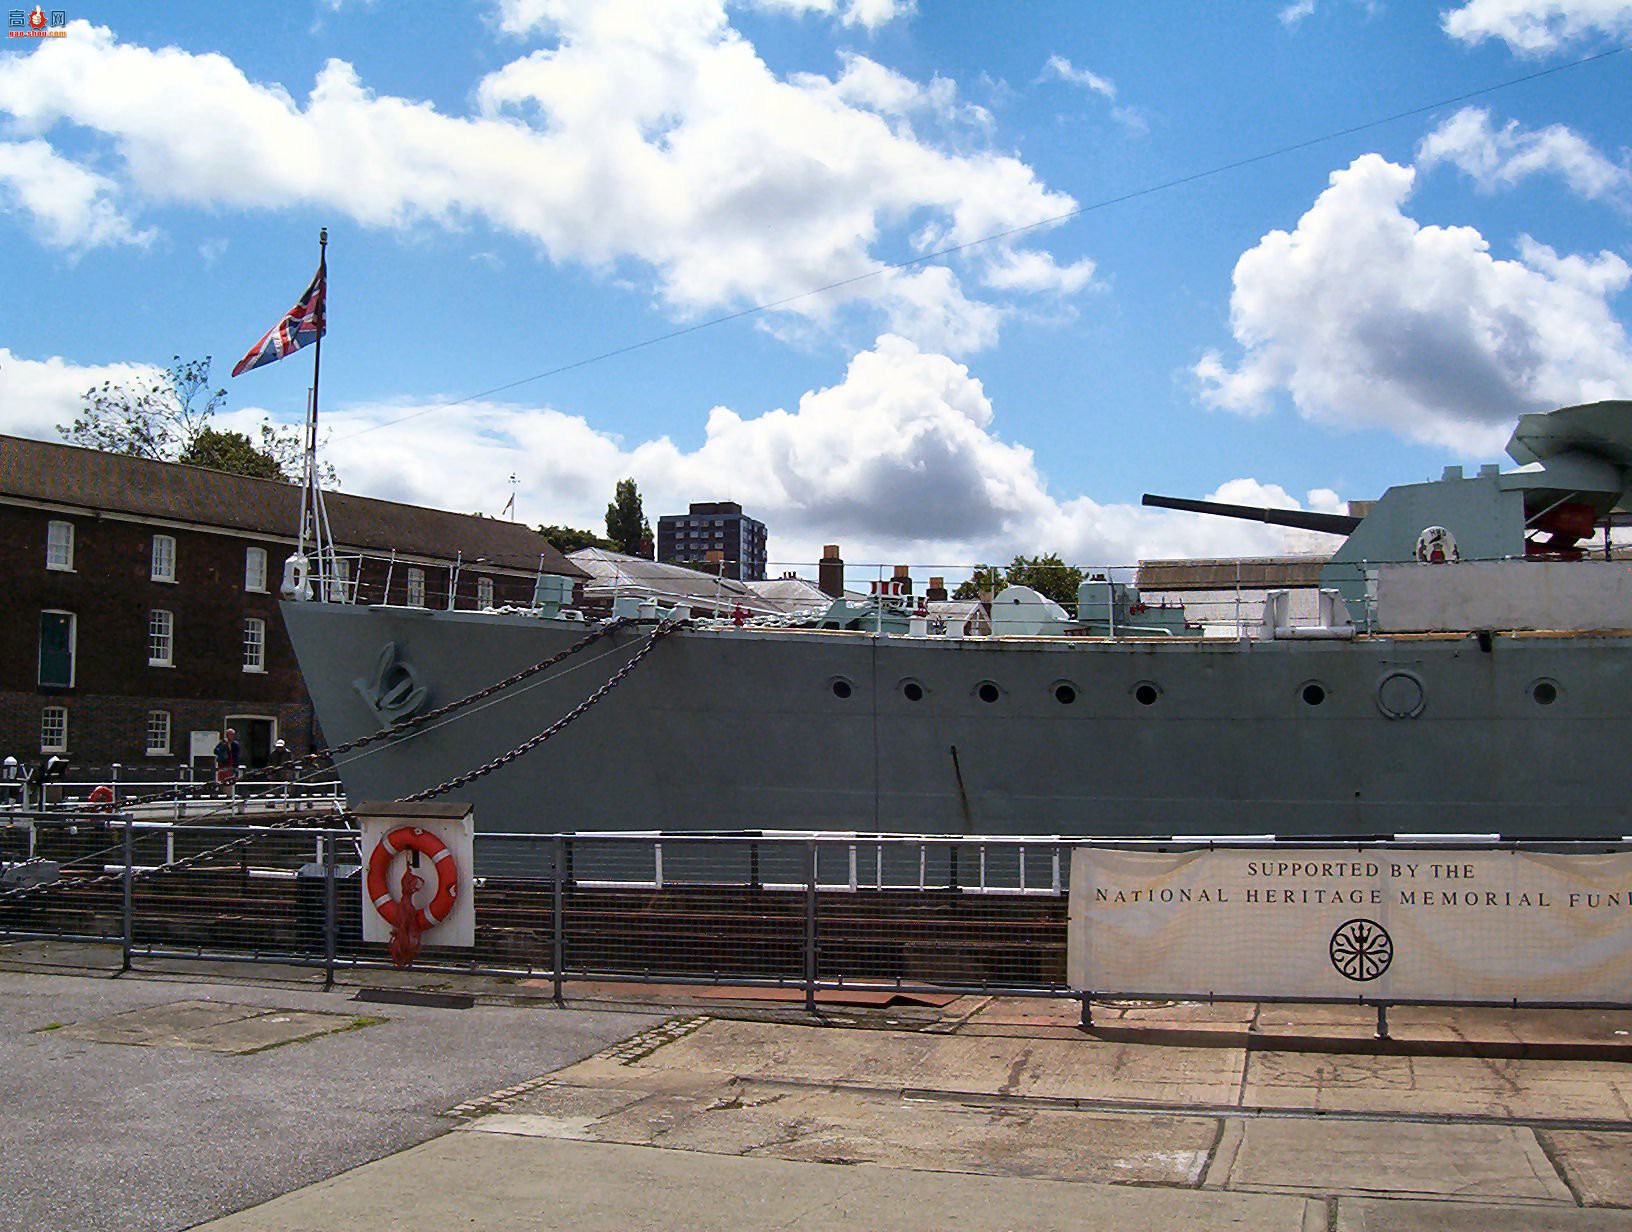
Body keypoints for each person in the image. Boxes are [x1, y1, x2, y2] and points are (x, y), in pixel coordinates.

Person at [213, 727, 241, 794]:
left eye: (233, 734)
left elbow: (237, 755)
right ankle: (222, 793)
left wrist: (236, 765)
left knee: (230, 781)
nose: (232, 736)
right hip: (223, 765)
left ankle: (229, 796)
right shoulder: (222, 743)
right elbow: (215, 751)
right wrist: (223, 747)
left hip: (231, 766)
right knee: (222, 780)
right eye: (230, 734)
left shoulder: (235, 744)